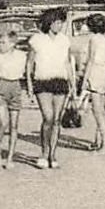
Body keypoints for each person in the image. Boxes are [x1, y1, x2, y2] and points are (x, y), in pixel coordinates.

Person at [26, 9, 72, 169]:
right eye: (57, 22)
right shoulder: (37, 39)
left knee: (57, 119)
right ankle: (44, 153)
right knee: (48, 117)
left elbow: (67, 62)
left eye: (61, 22)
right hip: (42, 80)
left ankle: (53, 154)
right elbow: (30, 63)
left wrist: (72, 82)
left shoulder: (64, 40)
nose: (59, 26)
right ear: (49, 22)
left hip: (60, 80)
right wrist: (30, 85)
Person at [76, 14, 105, 152]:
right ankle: (99, 141)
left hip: (95, 73)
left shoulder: (94, 39)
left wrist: (84, 80)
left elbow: (91, 60)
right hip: (104, 74)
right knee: (100, 110)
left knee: (97, 111)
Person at [0, 34, 28, 170]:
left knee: (14, 126)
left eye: (3, 43)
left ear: (12, 44)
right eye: (0, 42)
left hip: (15, 87)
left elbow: (27, 70)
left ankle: (10, 157)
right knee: (3, 123)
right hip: (1, 86)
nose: (0, 45)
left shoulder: (22, 55)